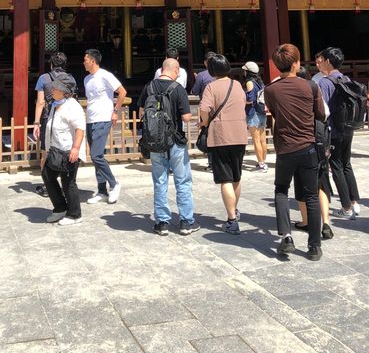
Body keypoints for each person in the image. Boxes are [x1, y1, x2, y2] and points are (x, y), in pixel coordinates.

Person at [264, 44, 326, 261]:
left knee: (281, 190)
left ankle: (287, 236)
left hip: (285, 148)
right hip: (308, 146)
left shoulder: (270, 90)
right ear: (297, 63)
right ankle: (314, 245)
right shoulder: (311, 87)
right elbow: (320, 114)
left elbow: (274, 112)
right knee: (311, 195)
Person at [138, 58, 198, 235]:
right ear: (176, 69)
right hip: (175, 141)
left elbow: (142, 111)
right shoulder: (178, 89)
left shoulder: (149, 86)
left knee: (159, 180)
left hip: (155, 141)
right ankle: (186, 221)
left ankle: (162, 222)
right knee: (183, 181)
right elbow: (186, 117)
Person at [199, 54, 247, 234]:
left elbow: (204, 109)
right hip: (239, 133)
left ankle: (231, 219)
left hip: (220, 136)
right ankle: (235, 209)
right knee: (236, 175)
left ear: (212, 70)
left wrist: (204, 121)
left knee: (225, 178)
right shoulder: (237, 85)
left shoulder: (211, 86)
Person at [317, 46, 361, 219]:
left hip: (333, 130)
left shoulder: (325, 82)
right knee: (346, 164)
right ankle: (355, 202)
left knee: (336, 166)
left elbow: (323, 110)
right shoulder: (345, 78)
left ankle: (346, 207)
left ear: (328, 61)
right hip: (348, 128)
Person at [293, 66, 334, 241]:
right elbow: (325, 113)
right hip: (319, 140)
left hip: (301, 142)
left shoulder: (293, 94)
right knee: (321, 182)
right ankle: (326, 222)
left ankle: (306, 221)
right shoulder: (315, 89)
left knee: (302, 182)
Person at [83, 49, 127, 204]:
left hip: (103, 118)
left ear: (93, 61)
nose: (84, 62)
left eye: (86, 59)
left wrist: (115, 111)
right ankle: (101, 190)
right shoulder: (87, 79)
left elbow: (122, 92)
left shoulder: (105, 75)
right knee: (96, 157)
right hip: (90, 119)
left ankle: (114, 184)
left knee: (96, 155)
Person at [42, 73, 86, 226]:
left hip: (68, 150)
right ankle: (60, 207)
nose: (52, 90)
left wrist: (75, 148)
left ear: (64, 90)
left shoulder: (72, 106)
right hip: (55, 149)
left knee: (68, 182)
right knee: (47, 175)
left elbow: (80, 128)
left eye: (55, 88)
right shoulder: (55, 103)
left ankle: (75, 214)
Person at [32, 52, 76, 196]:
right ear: (65, 64)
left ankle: (48, 186)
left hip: (49, 118)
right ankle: (66, 184)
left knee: (46, 152)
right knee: (65, 149)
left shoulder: (43, 78)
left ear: (50, 64)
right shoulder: (71, 79)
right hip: (66, 119)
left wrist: (36, 122)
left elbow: (40, 102)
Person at [242, 61, 268, 172]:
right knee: (263, 140)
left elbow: (250, 99)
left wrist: (241, 101)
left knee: (256, 139)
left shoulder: (249, 82)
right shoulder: (260, 82)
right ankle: (263, 162)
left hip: (253, 113)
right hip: (261, 112)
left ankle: (261, 164)